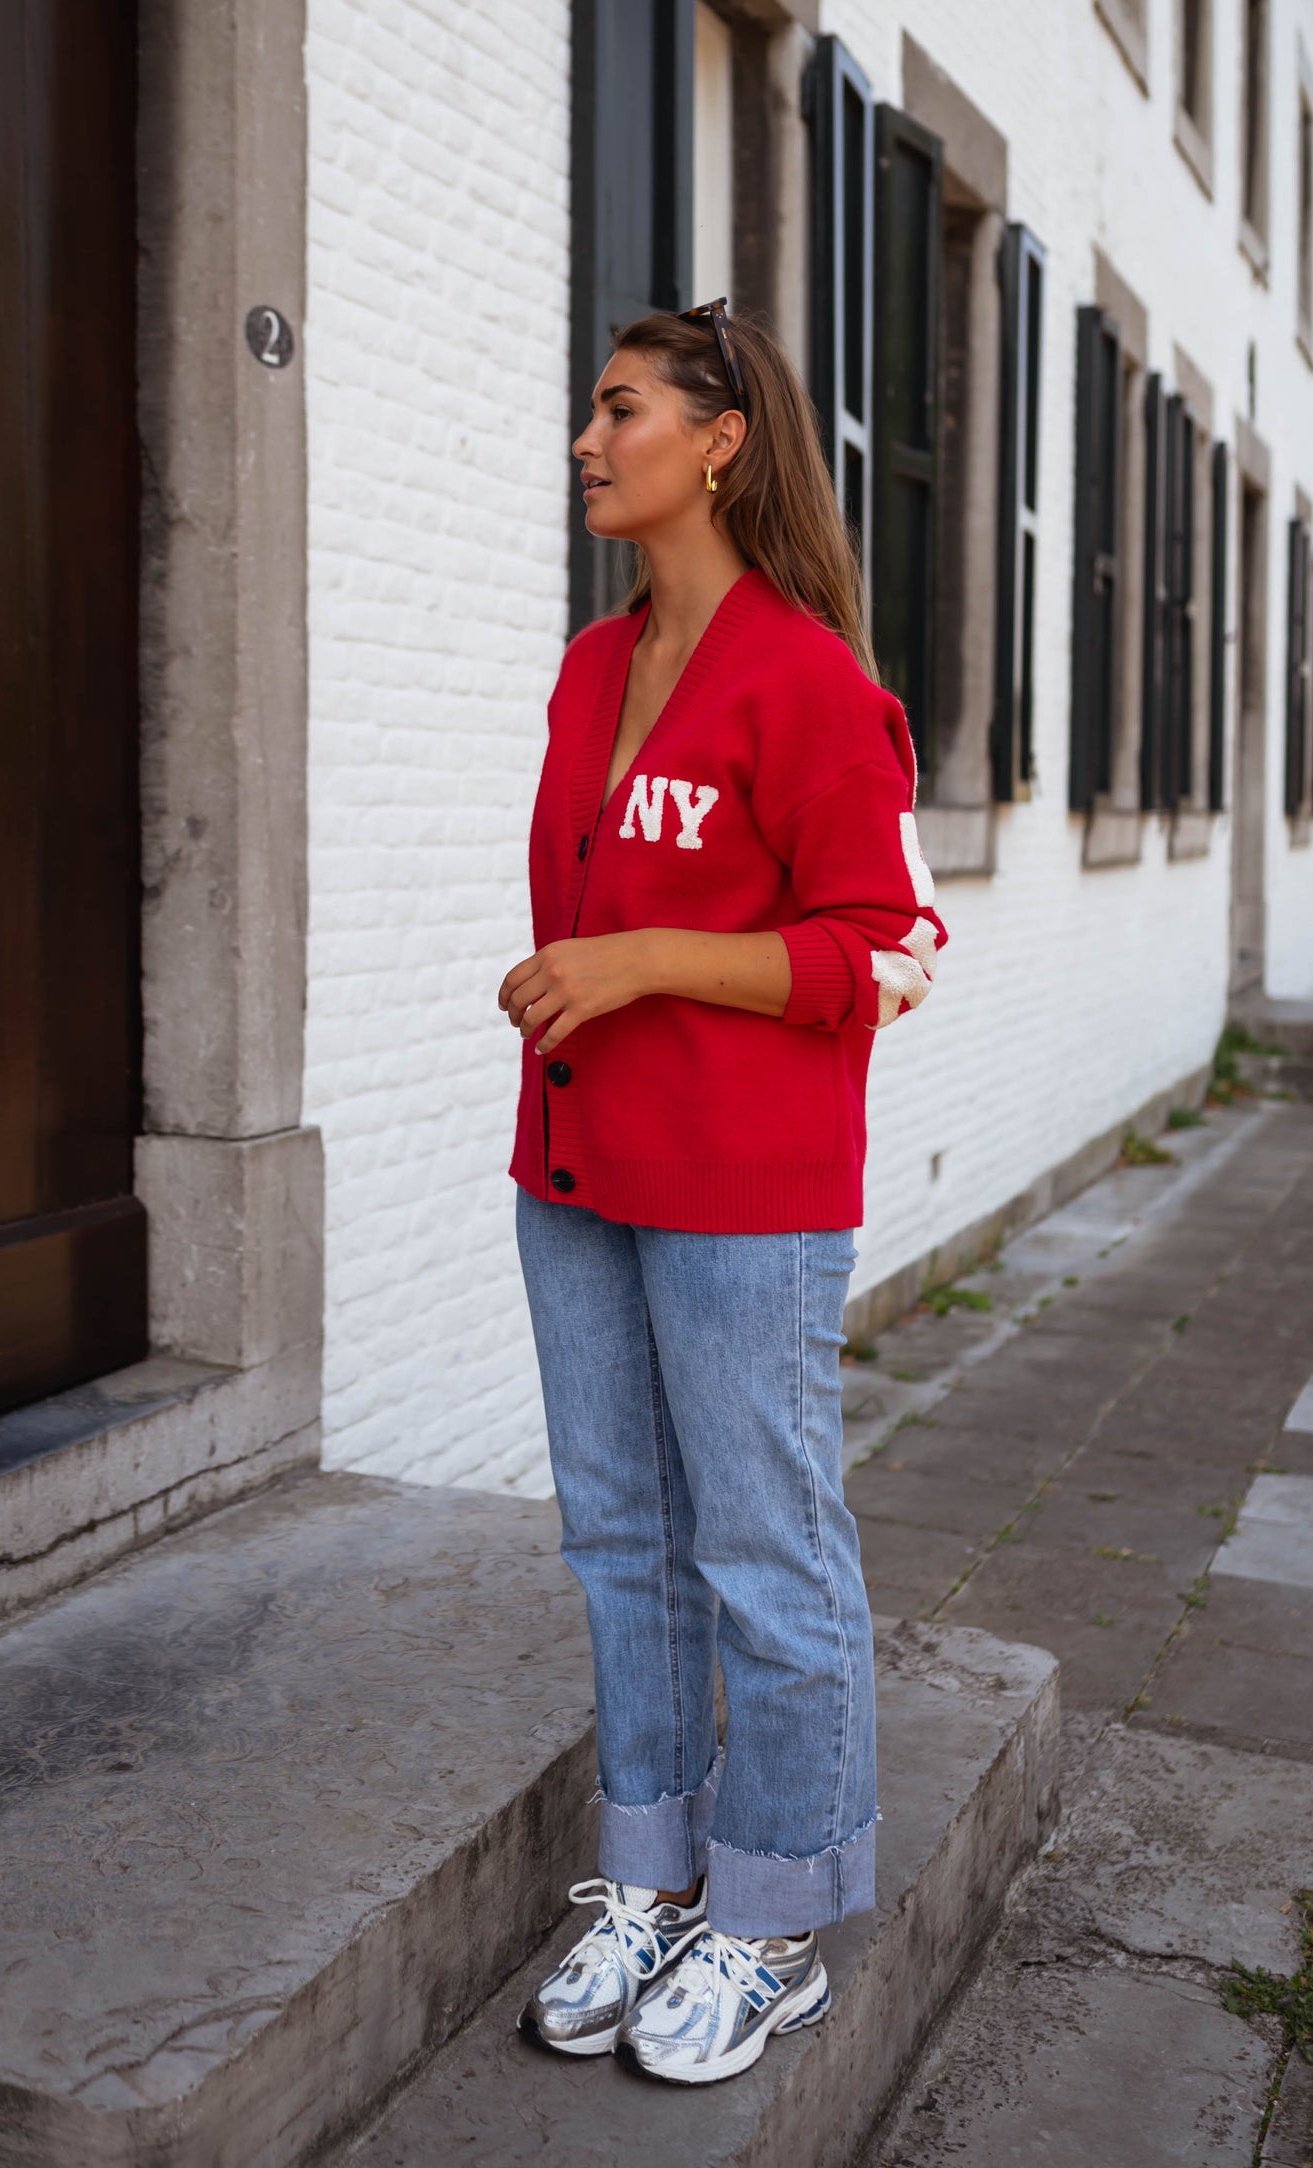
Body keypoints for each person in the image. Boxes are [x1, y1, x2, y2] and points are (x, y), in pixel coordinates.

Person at [497, 299, 948, 2087]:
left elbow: (894, 952)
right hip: (577, 1162)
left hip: (745, 1191)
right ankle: (650, 1882)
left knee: (764, 1548)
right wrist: (574, 980)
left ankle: (773, 1919)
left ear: (721, 439)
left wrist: (646, 963)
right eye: (589, 414)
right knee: (617, 1539)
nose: (588, 441)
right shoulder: (589, 671)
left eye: (619, 411)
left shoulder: (815, 685)